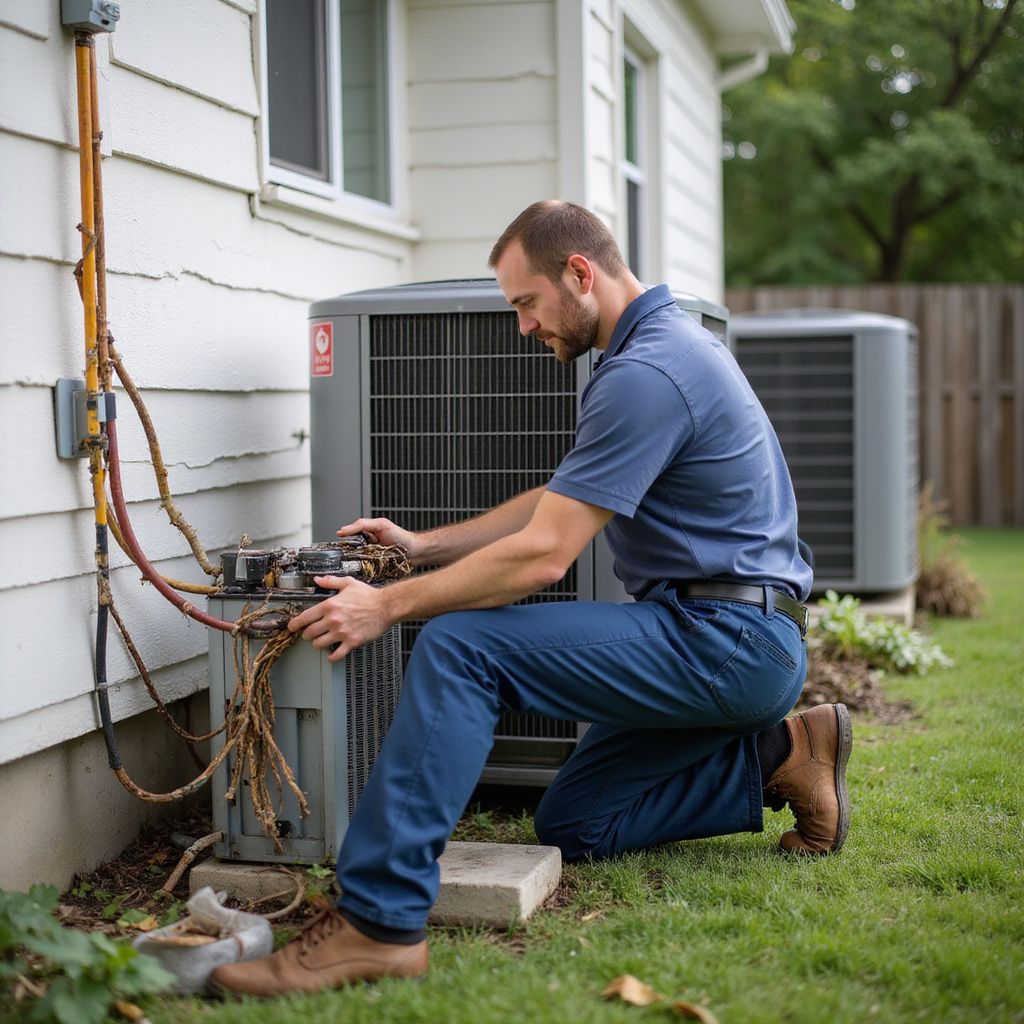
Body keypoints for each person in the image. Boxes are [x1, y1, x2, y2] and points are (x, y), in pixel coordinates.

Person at [210, 200, 852, 998]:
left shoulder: (649, 372)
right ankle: (786, 754)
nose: (523, 327)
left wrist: (390, 604)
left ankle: (376, 923)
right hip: (729, 634)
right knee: (575, 823)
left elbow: (547, 554)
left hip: (723, 640)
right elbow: (564, 497)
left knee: (463, 644)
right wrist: (425, 546)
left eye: (526, 303)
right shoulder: (659, 350)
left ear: (579, 274)